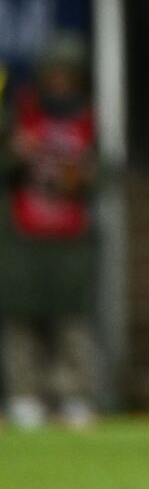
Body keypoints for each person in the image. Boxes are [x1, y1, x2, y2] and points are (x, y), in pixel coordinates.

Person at [0, 32, 100, 430]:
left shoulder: (89, 120)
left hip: (69, 238)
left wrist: (85, 177)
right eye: (54, 76)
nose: (61, 84)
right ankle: (24, 397)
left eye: (68, 77)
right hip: (24, 237)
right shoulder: (19, 116)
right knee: (21, 322)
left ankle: (73, 396)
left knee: (72, 324)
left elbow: (101, 179)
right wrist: (15, 154)